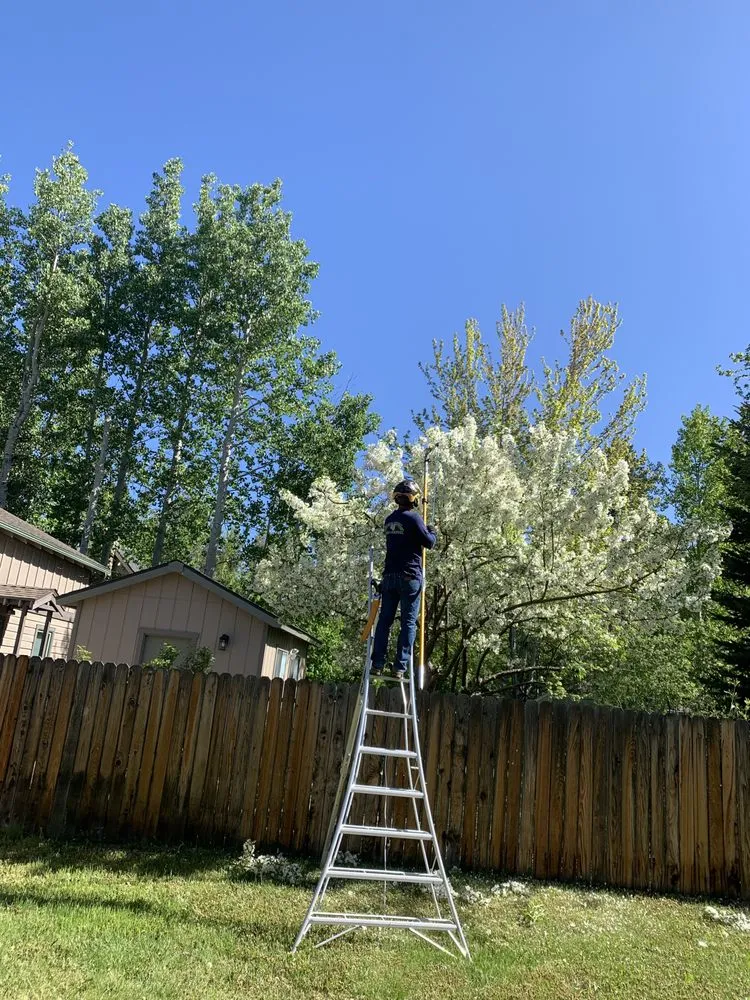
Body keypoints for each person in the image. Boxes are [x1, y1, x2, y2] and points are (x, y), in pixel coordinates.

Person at [371, 478, 436, 677]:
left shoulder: (389, 520)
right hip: (410, 576)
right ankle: (400, 666)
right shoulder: (414, 518)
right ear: (413, 498)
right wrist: (432, 531)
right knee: (408, 622)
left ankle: (377, 663)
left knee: (385, 621)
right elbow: (429, 542)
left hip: (389, 576)